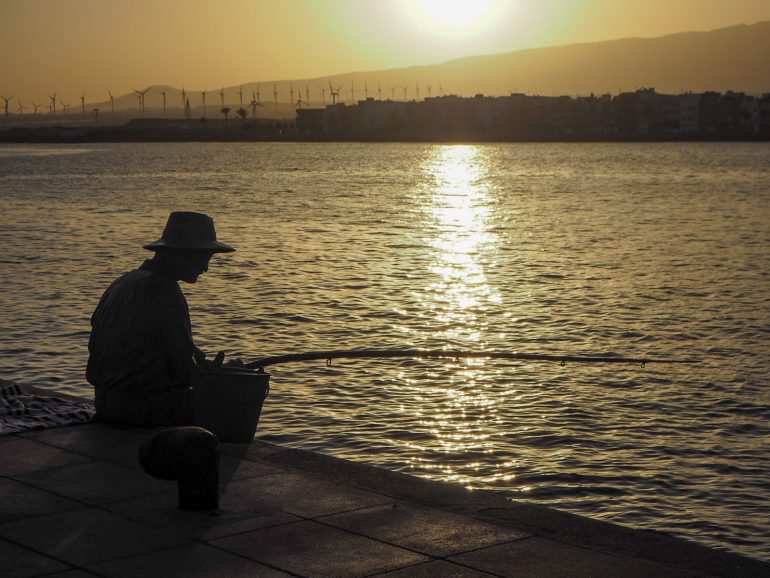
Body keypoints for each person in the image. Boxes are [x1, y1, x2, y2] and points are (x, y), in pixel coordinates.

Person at [86, 211, 235, 426]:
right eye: (203, 258)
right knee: (227, 404)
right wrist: (225, 374)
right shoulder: (164, 291)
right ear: (181, 254)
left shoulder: (123, 282)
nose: (205, 268)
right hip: (138, 407)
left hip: (104, 401)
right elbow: (183, 372)